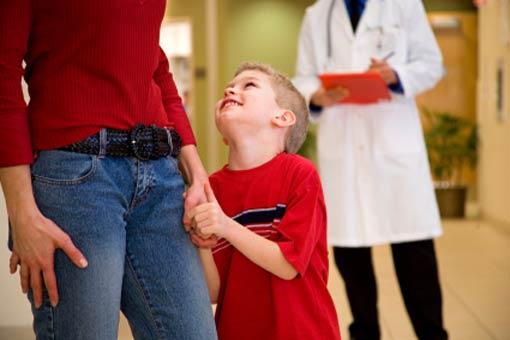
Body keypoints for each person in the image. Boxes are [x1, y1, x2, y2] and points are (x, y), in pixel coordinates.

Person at [0, 1, 216, 339]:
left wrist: (194, 167)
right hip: (76, 184)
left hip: (159, 175)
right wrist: (21, 213)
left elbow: (155, 66)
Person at [293, 1, 448, 339]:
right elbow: (302, 78)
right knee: (352, 259)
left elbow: (432, 65)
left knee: (415, 259)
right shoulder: (317, 15)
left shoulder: (404, 6)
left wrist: (397, 76)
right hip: (345, 150)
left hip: (394, 149)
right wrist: (316, 95)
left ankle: (432, 334)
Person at [187, 62, 341, 340]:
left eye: (249, 85)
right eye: (230, 87)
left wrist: (224, 226)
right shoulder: (212, 189)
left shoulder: (300, 174)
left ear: (282, 118)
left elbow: (288, 265)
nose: (230, 89)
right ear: (223, 137)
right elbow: (213, 291)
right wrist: (202, 242)